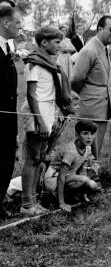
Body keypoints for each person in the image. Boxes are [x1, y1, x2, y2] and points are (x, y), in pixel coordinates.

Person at [21, 26, 73, 216]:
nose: (60, 45)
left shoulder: (49, 64)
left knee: (41, 158)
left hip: (48, 112)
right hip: (38, 114)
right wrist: (41, 122)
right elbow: (32, 95)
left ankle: (34, 200)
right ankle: (27, 204)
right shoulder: (34, 63)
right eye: (57, 42)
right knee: (33, 158)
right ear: (44, 42)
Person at [71, 15, 111, 162]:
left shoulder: (104, 49)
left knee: (95, 149)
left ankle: (92, 177)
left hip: (102, 108)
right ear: (100, 29)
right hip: (91, 108)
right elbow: (77, 79)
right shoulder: (89, 50)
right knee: (87, 149)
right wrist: (86, 98)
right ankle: (84, 179)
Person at [43, 120, 103, 212]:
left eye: (92, 134)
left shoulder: (88, 148)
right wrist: (61, 203)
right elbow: (61, 176)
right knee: (86, 181)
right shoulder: (71, 151)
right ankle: (57, 197)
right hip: (53, 179)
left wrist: (84, 194)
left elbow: (83, 171)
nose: (89, 137)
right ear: (78, 134)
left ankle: (75, 195)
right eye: (85, 133)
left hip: (69, 177)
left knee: (91, 184)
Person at [0, 6, 21, 220]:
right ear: (6, 23)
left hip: (8, 118)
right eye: (18, 22)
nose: (20, 26)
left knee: (6, 162)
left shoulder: (7, 48)